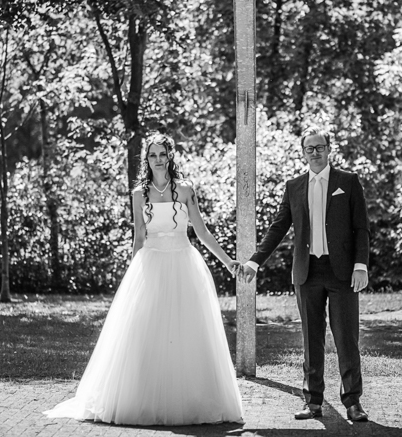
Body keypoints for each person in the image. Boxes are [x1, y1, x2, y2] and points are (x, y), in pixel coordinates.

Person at [44, 133, 244, 426]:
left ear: (170, 156)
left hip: (183, 263)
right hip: (150, 263)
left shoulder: (186, 189)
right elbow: (139, 235)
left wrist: (228, 262)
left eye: (162, 154)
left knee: (186, 329)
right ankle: (142, 398)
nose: (158, 159)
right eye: (153, 155)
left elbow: (201, 232)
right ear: (146, 159)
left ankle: (190, 399)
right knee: (146, 328)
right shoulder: (139, 193)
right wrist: (133, 273)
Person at [239, 128, 370, 422]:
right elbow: (278, 227)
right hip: (307, 272)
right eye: (309, 148)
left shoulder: (348, 182)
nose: (315, 153)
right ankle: (312, 402)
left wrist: (360, 265)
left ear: (329, 149)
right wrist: (255, 262)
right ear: (303, 153)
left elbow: (362, 227)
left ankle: (353, 402)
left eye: (319, 147)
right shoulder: (294, 186)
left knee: (346, 339)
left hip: (342, 273)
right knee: (311, 340)